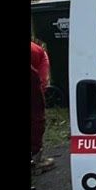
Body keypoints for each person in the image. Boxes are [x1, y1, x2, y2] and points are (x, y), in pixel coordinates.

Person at [31, 41, 55, 175]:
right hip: (35, 65)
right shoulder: (41, 55)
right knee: (36, 115)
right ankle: (36, 160)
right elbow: (41, 83)